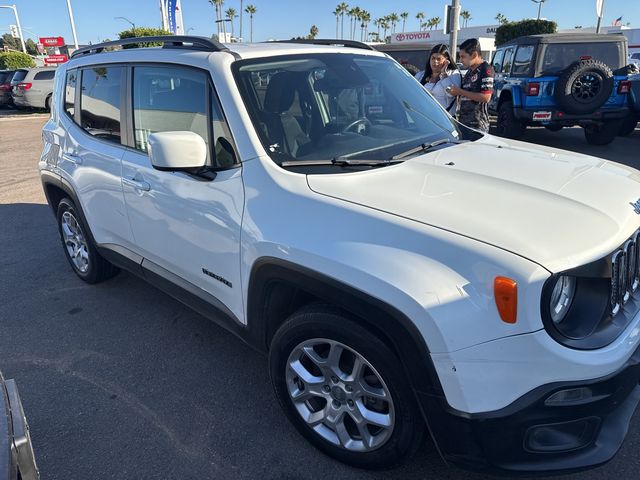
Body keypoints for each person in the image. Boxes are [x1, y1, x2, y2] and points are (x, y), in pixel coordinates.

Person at [448, 38, 494, 132]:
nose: (460, 60)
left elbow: (486, 97)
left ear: (474, 55)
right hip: (464, 123)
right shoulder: (469, 70)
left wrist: (460, 91)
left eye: (463, 56)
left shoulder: (486, 69)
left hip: (478, 125)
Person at [415, 44, 462, 114]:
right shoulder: (421, 75)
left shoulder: (453, 74)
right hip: (424, 117)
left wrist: (444, 74)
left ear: (446, 60)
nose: (435, 62)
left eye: (439, 59)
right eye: (433, 58)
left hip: (444, 119)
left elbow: (451, 94)